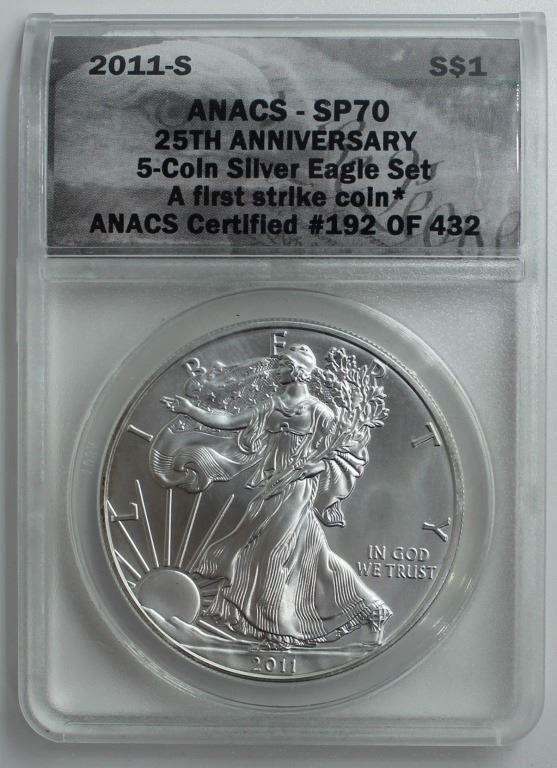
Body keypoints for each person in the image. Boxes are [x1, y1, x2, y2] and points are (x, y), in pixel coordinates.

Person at [150, 344, 392, 647]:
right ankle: (366, 610)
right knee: (298, 555)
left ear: (298, 370)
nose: (276, 370)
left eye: (282, 365)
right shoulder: (272, 405)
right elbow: (230, 421)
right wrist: (191, 410)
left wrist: (313, 466)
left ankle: (281, 628)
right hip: (269, 487)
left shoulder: (319, 411)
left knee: (273, 552)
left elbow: (345, 450)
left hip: (297, 488)